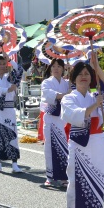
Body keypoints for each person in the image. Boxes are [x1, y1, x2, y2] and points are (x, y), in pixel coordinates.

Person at [61, 53, 104, 208]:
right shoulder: (69, 98)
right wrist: (92, 107)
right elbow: (72, 115)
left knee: (98, 182)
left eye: (88, 74)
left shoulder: (97, 94)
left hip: (98, 144)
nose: (85, 76)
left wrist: (96, 66)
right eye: (81, 74)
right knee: (76, 183)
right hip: (80, 144)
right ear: (74, 78)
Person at [0, 52, 24, 173]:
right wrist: (7, 89)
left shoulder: (10, 77)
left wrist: (10, 60)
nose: (2, 66)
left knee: (12, 135)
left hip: (9, 110)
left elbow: (20, 70)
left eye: (4, 63)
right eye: (0, 64)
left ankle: (14, 163)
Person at [40, 58, 70, 187]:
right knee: (50, 148)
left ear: (63, 68)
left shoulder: (67, 83)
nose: (56, 68)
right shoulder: (46, 82)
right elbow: (49, 95)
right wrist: (65, 94)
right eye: (54, 66)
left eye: (59, 66)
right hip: (51, 119)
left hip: (63, 120)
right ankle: (50, 176)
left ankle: (64, 177)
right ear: (50, 68)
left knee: (65, 149)